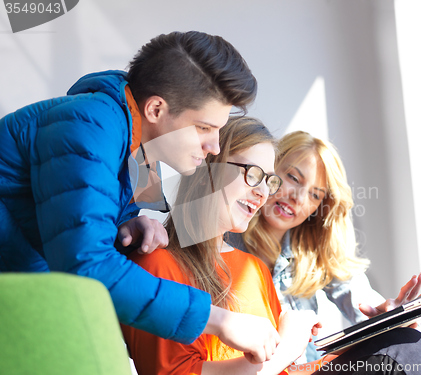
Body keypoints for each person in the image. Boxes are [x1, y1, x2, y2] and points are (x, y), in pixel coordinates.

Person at [0, 31, 280, 362]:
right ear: (156, 108)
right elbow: (86, 266)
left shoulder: (137, 149)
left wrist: (127, 229)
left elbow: (77, 228)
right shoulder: (88, 126)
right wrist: (218, 320)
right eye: (204, 128)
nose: (215, 146)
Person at [227, 131, 421, 374]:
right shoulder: (225, 242)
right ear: (269, 171)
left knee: (405, 341)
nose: (298, 197)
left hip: (304, 371)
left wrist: (389, 316)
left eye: (315, 194)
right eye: (293, 177)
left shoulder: (311, 255)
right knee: (403, 350)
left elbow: (362, 298)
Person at [121, 117, 322, 375]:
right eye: (252, 174)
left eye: (269, 181)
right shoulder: (156, 266)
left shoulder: (255, 270)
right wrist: (287, 349)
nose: (262, 193)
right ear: (208, 171)